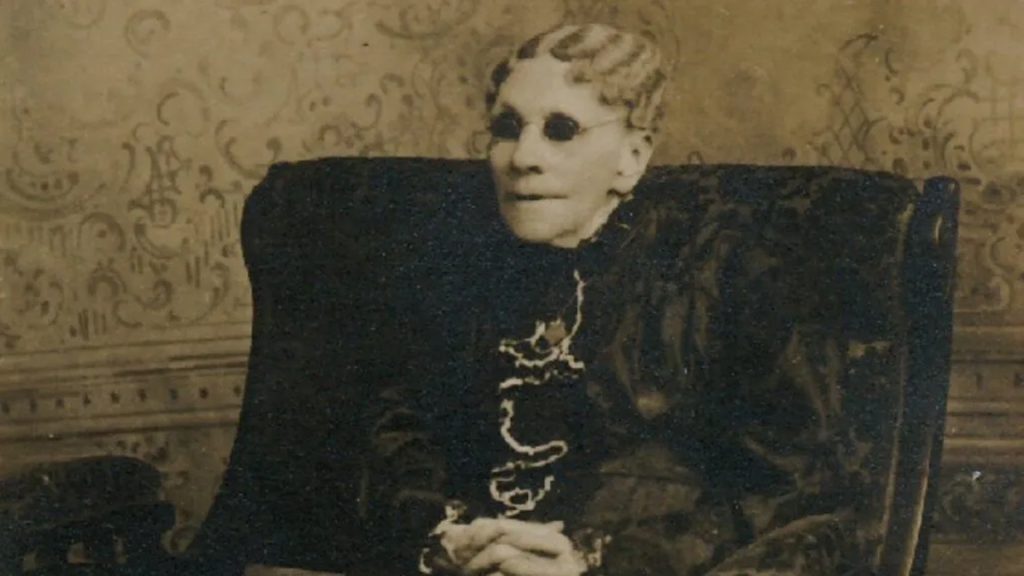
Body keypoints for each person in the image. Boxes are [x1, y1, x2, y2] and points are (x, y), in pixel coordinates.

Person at [368, 23, 880, 576]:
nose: (523, 157)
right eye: (507, 128)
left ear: (631, 157)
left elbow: (794, 485)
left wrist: (597, 562)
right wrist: (445, 535)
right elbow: (398, 430)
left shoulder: (719, 274)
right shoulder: (455, 273)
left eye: (561, 129)